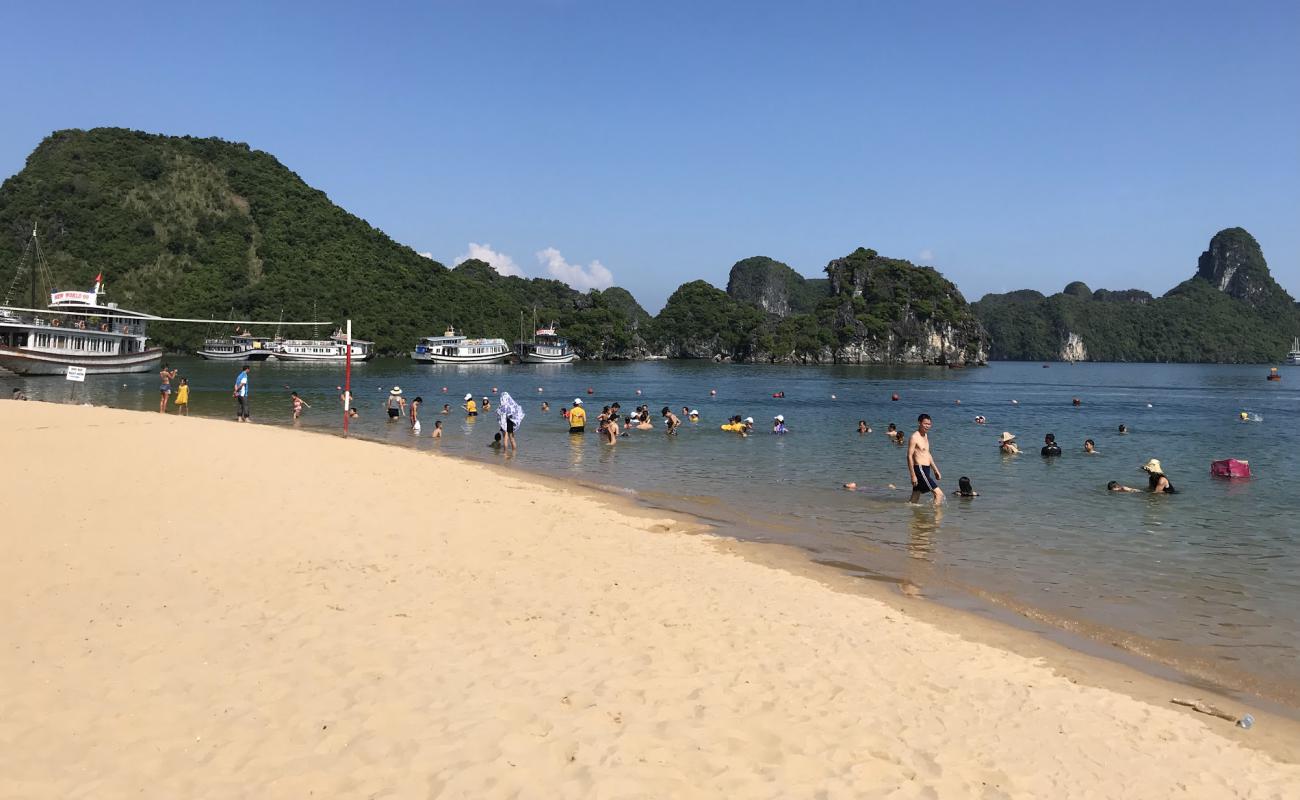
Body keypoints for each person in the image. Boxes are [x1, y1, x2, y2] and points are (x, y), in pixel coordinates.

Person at [907, 413, 944, 505]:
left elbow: (927, 454)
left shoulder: (926, 436)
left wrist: (935, 470)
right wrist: (913, 475)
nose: (927, 426)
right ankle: (937, 518)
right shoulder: (914, 437)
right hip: (919, 469)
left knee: (915, 496)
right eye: (925, 424)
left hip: (926, 469)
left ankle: (912, 517)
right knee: (939, 494)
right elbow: (909, 456)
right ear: (919, 423)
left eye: (929, 424)